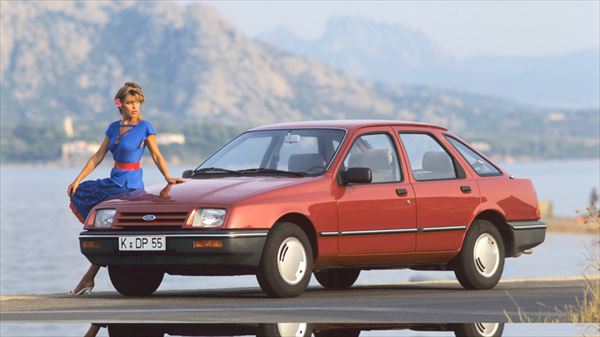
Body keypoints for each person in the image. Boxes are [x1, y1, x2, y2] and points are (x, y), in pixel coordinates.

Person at [67, 82, 185, 295]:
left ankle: (87, 279)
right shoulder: (113, 127)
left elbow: (157, 155)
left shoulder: (145, 126)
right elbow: (98, 156)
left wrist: (168, 177)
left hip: (130, 186)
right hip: (114, 182)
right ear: (120, 104)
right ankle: (88, 278)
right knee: (83, 193)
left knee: (111, 229)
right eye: (130, 103)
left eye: (137, 103)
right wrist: (77, 179)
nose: (134, 107)